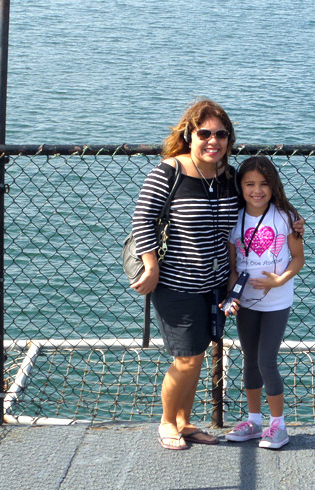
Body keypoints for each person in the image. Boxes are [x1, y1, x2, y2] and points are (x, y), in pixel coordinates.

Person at [130, 99, 304, 450]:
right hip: (175, 283)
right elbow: (142, 219)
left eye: (221, 134)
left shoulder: (228, 178)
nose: (213, 140)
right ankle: (167, 422)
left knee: (198, 352)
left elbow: (261, 202)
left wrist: (294, 219)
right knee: (186, 357)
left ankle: (184, 421)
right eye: (205, 132)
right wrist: (151, 265)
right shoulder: (170, 171)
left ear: (229, 138)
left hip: (215, 285)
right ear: (189, 135)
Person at [222, 156, 305, 449]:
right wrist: (232, 297)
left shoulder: (285, 216)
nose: (257, 190)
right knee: (249, 359)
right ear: (240, 187)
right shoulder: (235, 218)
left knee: (266, 360)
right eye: (250, 184)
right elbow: (233, 267)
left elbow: (298, 258)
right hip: (247, 303)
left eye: (264, 184)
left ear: (274, 186)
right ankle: (254, 421)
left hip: (276, 302)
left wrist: (278, 281)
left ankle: (278, 425)